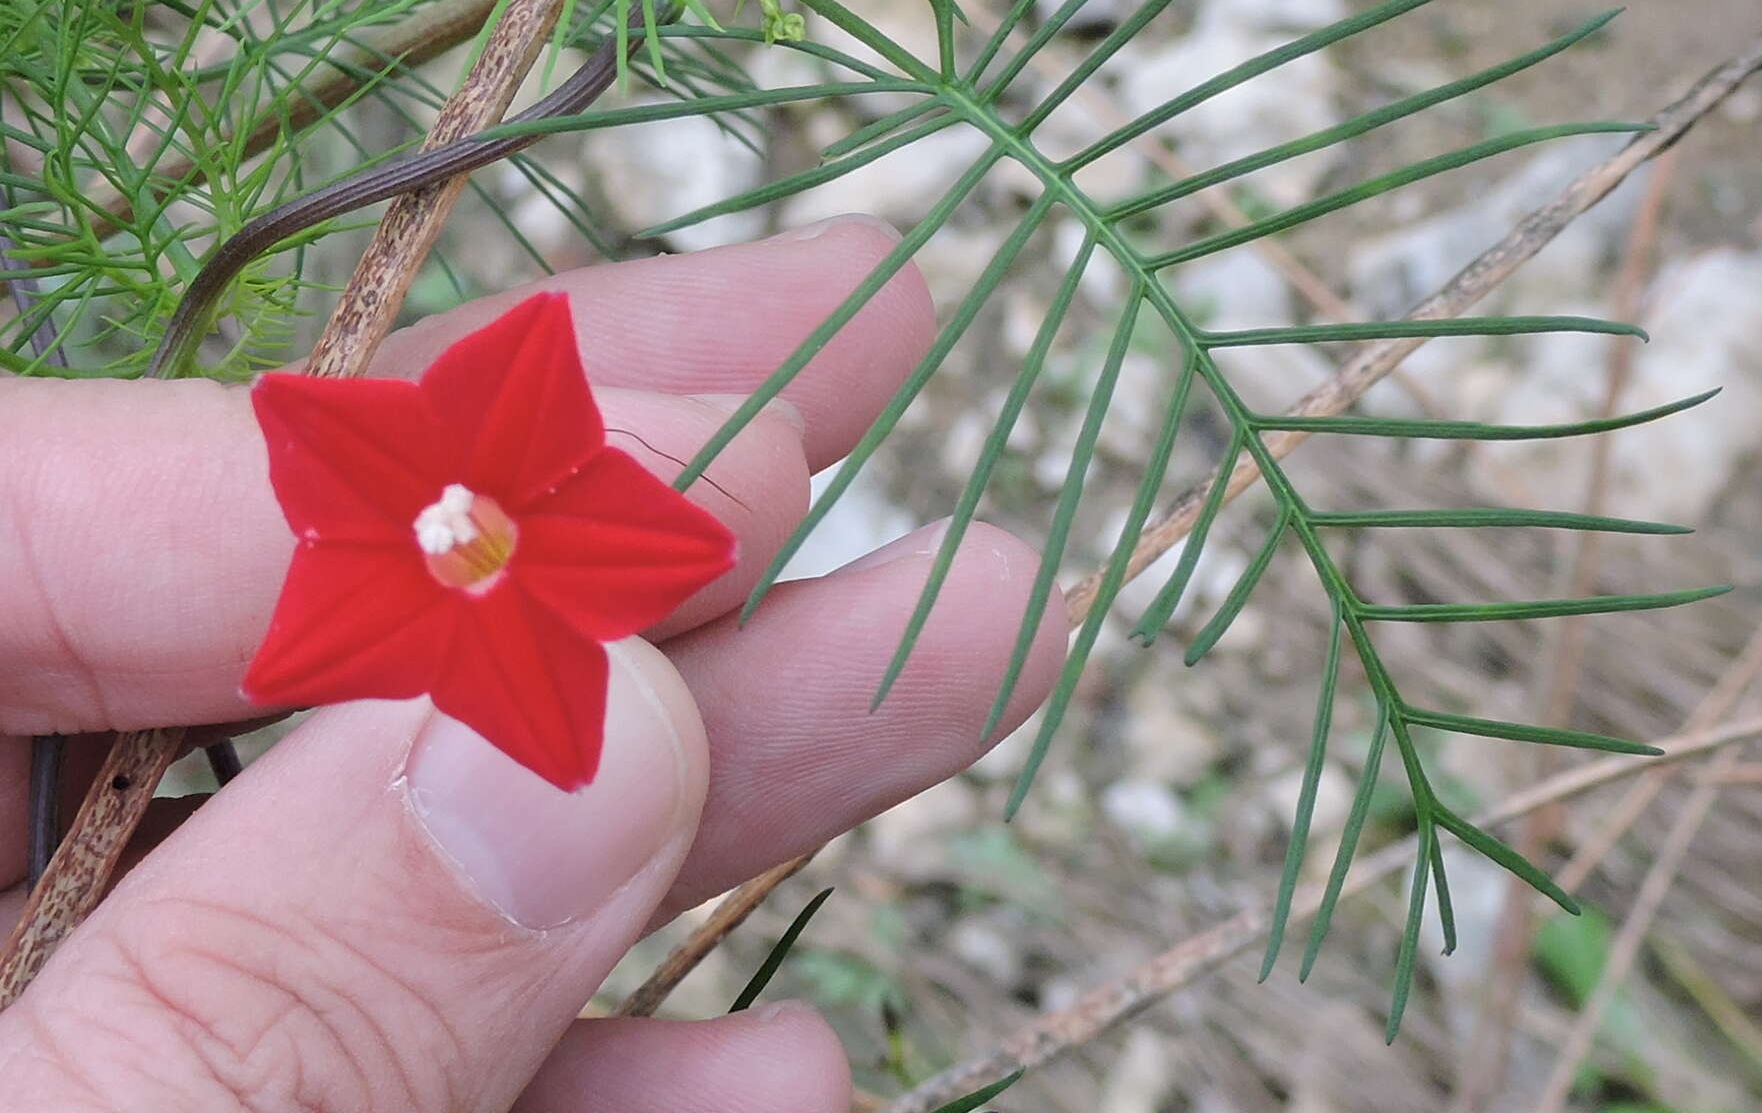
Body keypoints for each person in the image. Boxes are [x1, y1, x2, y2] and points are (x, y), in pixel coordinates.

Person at [0, 216, 1063, 1111]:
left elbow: (663, 531)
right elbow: (308, 435)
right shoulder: (400, 526)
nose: (472, 544)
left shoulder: (516, 495)